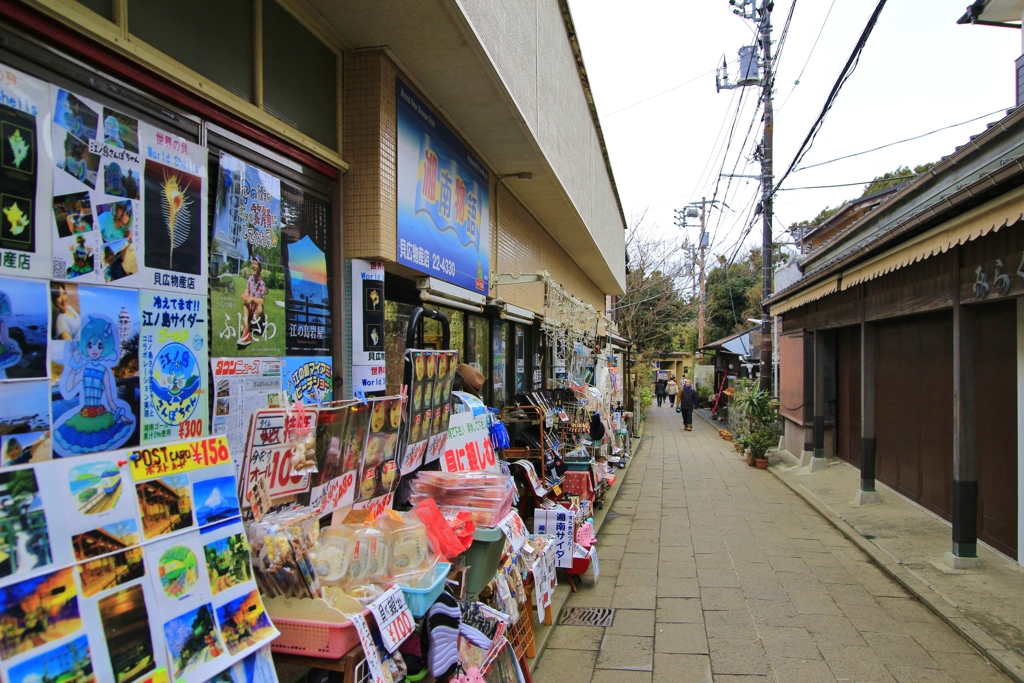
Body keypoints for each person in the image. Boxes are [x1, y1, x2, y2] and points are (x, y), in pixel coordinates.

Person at [238, 254, 266, 347]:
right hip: (250, 308)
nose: (253, 266)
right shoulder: (250, 278)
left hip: (256, 313)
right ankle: (246, 332)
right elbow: (247, 290)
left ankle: (248, 326)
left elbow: (262, 301)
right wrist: (245, 295)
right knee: (245, 302)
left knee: (260, 308)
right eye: (253, 263)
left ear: (259, 267)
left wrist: (252, 298)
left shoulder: (262, 283)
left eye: (256, 264)